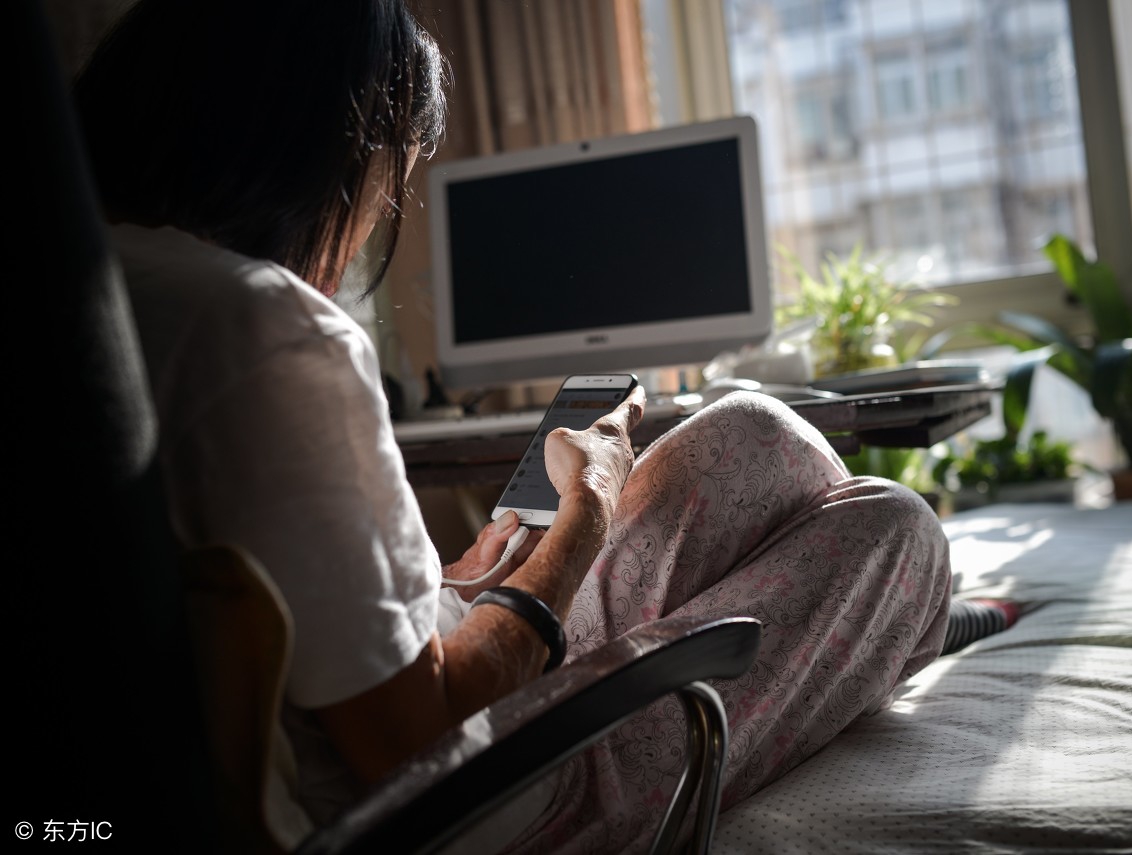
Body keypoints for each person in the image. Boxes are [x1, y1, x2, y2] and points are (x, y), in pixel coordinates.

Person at [74, 1, 1012, 851]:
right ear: (317, 148)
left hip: (393, 692)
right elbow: (416, 737)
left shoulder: (91, 294)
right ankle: (914, 613)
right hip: (469, 802)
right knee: (895, 529)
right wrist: (586, 515)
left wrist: (469, 573)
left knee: (751, 431)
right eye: (382, 183)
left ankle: (899, 624)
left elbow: (290, 616)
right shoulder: (263, 329)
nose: (362, 228)